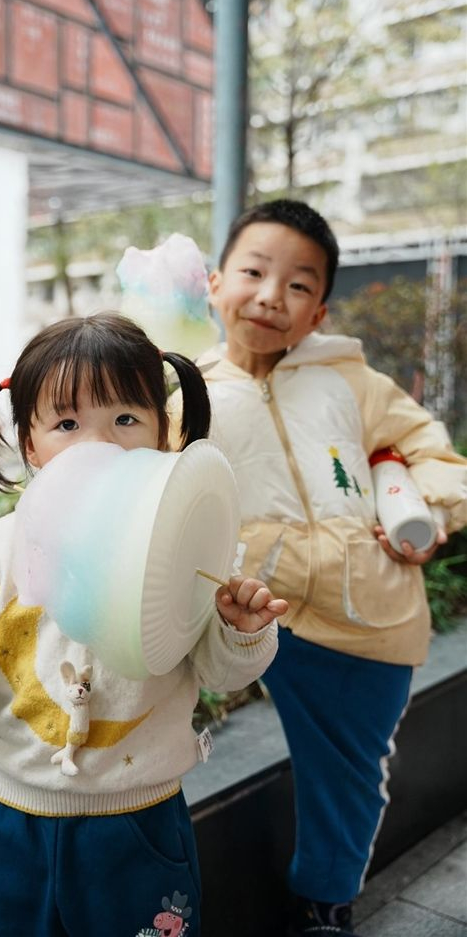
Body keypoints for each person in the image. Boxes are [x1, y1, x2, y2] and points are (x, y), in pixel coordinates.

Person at [0, 311, 288, 937]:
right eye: (67, 424)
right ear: (30, 445)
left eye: (125, 419)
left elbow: (221, 673)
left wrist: (240, 630)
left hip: (138, 822)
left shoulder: (188, 547)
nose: (99, 444)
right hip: (9, 815)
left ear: (163, 431)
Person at [171, 199, 467, 937]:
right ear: (215, 284)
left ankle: (326, 903)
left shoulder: (351, 380)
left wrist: (428, 514)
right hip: (250, 607)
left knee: (352, 773)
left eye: (299, 284)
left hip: (369, 612)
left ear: (320, 311)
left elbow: (434, 452)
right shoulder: (181, 395)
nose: (272, 295)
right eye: (254, 272)